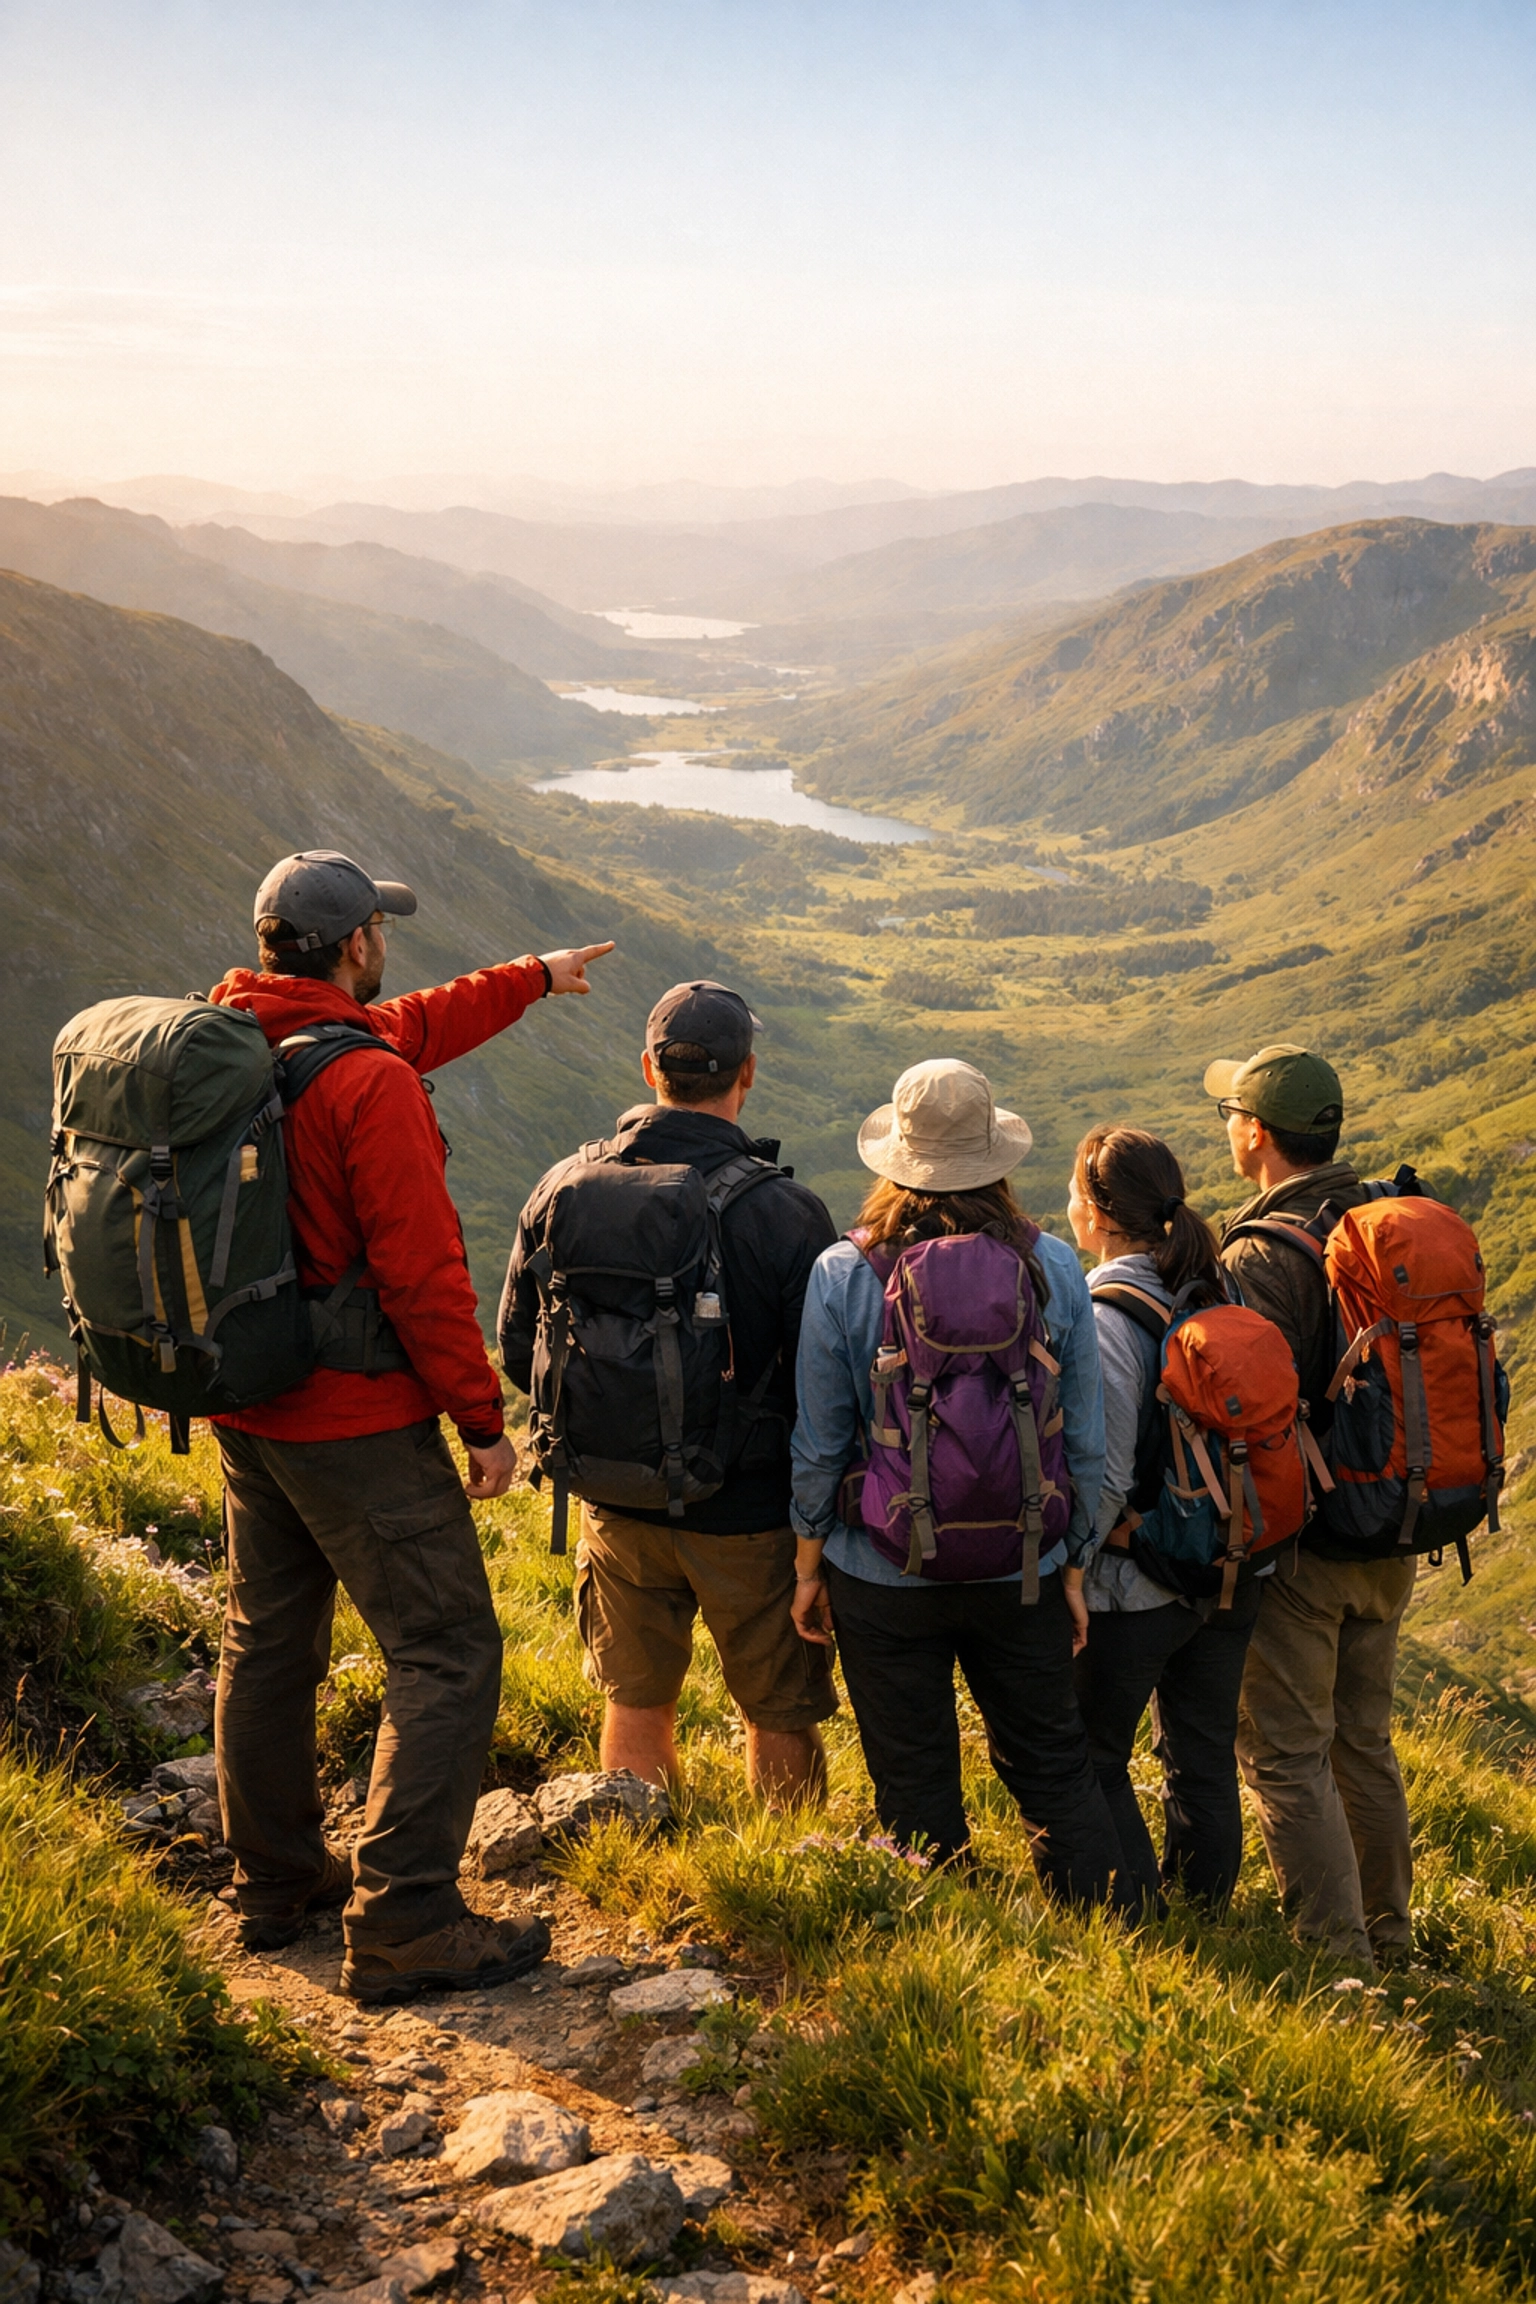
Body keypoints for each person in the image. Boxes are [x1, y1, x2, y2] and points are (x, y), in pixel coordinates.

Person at [210, 846, 613, 2004]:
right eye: (377, 930)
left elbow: (408, 1028)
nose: (387, 945)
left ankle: (277, 1883)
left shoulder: (243, 1030)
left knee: (267, 1640)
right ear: (355, 946)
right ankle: (406, 1918)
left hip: (249, 1405)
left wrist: (531, 976)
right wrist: (483, 1423)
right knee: (447, 1648)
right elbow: (424, 1271)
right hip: (356, 1423)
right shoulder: (364, 1083)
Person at [790, 1058, 1122, 1900]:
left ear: (895, 1161)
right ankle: (1115, 1946)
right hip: (1024, 1565)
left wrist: (807, 1567)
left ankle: (945, 1947)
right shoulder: (1052, 1267)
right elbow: (1084, 1440)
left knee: (912, 1780)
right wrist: (1074, 1563)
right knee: (1054, 1767)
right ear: (995, 1160)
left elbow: (821, 1443)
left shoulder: (842, 1273)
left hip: (879, 1566)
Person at [500, 981, 839, 1804]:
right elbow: (826, 1388)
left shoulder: (563, 1187)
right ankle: (791, 1870)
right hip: (749, 1514)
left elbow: (517, 1349)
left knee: (634, 1696)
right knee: (778, 1709)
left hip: (616, 1502)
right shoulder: (786, 1211)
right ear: (746, 1074)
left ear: (649, 1066)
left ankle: (637, 1846)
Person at [1206, 1041, 1413, 1968]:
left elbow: (1248, 1408)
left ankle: (1340, 1965)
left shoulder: (1260, 1253)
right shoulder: (1385, 1217)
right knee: (1363, 1740)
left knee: (1287, 1754)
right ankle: (1394, 1938)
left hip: (1309, 1544)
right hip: (1398, 1524)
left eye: (1230, 1117)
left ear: (1255, 1133)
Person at [1067, 1125, 1263, 1914]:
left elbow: (1109, 1471)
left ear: (1098, 1213)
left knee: (1094, 1755)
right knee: (1204, 1755)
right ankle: (1205, 1909)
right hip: (1233, 1563)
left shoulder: (1108, 1312)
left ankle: (1137, 1917)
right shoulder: (1221, 1288)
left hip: (1140, 1578)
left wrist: (1074, 1567)